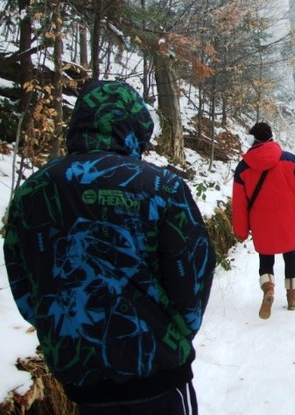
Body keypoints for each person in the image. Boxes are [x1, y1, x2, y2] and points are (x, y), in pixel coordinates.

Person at [3, 80, 215, 415]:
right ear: (135, 127)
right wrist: (175, 333)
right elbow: (193, 273)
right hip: (158, 370)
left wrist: (60, 330)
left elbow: (24, 280)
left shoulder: (33, 191)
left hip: (81, 375)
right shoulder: (162, 187)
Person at [232, 122, 295, 320]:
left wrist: (240, 231)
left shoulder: (243, 168)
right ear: (271, 137)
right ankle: (292, 298)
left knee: (266, 258)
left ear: (252, 140)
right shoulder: (290, 160)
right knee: (290, 257)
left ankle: (268, 290)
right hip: (288, 222)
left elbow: (239, 204)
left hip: (261, 224)